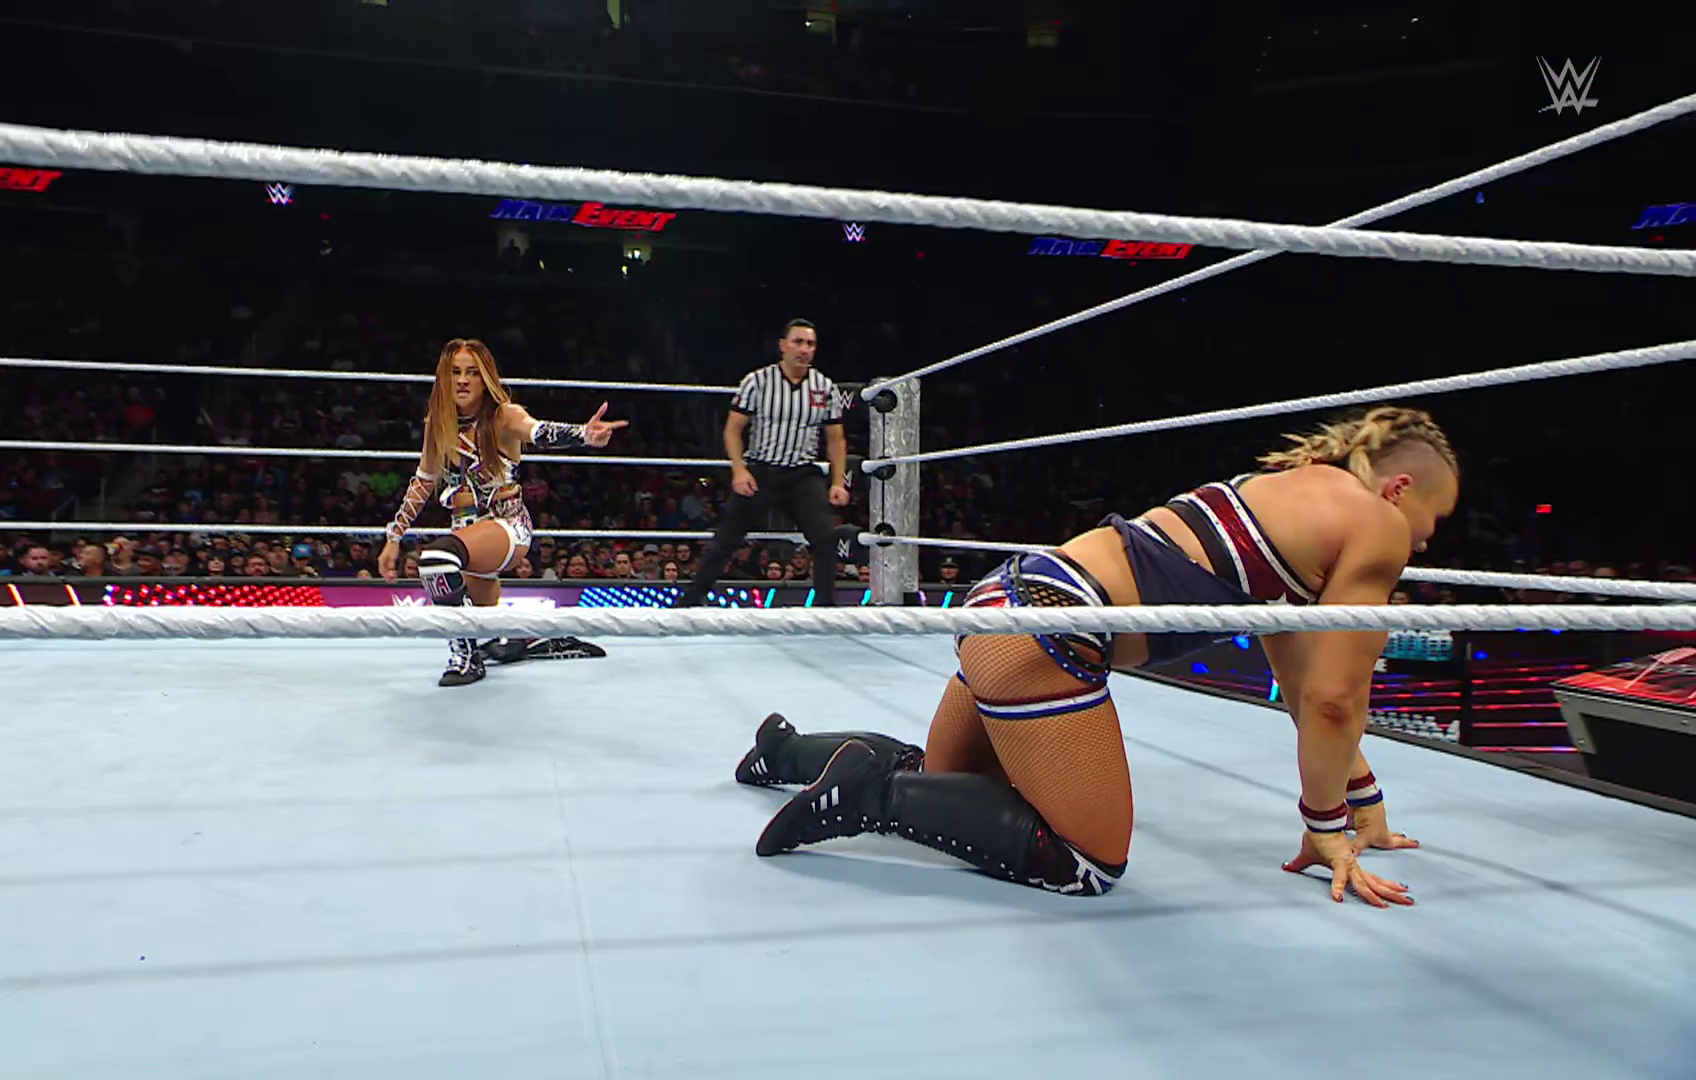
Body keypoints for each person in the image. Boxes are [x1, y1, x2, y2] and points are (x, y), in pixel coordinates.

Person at [741, 406, 1456, 908]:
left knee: (951, 785)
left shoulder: (1286, 494)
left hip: (1011, 599)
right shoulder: (1379, 525)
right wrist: (1325, 829)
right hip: (1048, 635)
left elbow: (1304, 689)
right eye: (1435, 517)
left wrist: (1363, 804)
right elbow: (1335, 700)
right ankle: (868, 795)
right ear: (1399, 489)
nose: (1424, 541)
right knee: (1087, 861)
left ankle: (787, 753)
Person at [379, 338, 625, 686]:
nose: (462, 380)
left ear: (486, 379)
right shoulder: (439, 423)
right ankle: (530, 641)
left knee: (435, 560)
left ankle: (466, 658)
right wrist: (394, 536)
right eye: (455, 372)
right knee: (488, 630)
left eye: (472, 373)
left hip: (507, 527)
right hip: (468, 536)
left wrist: (584, 434)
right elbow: (423, 480)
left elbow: (538, 430)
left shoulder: (503, 416)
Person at [675, 318, 850, 608]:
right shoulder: (757, 381)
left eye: (810, 344)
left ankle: (825, 607)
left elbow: (835, 439)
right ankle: (688, 603)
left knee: (825, 537)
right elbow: (733, 429)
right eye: (798, 342)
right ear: (783, 346)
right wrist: (739, 470)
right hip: (761, 470)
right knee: (726, 540)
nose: (804, 349)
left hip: (802, 474)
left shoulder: (825, 387)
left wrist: (837, 482)